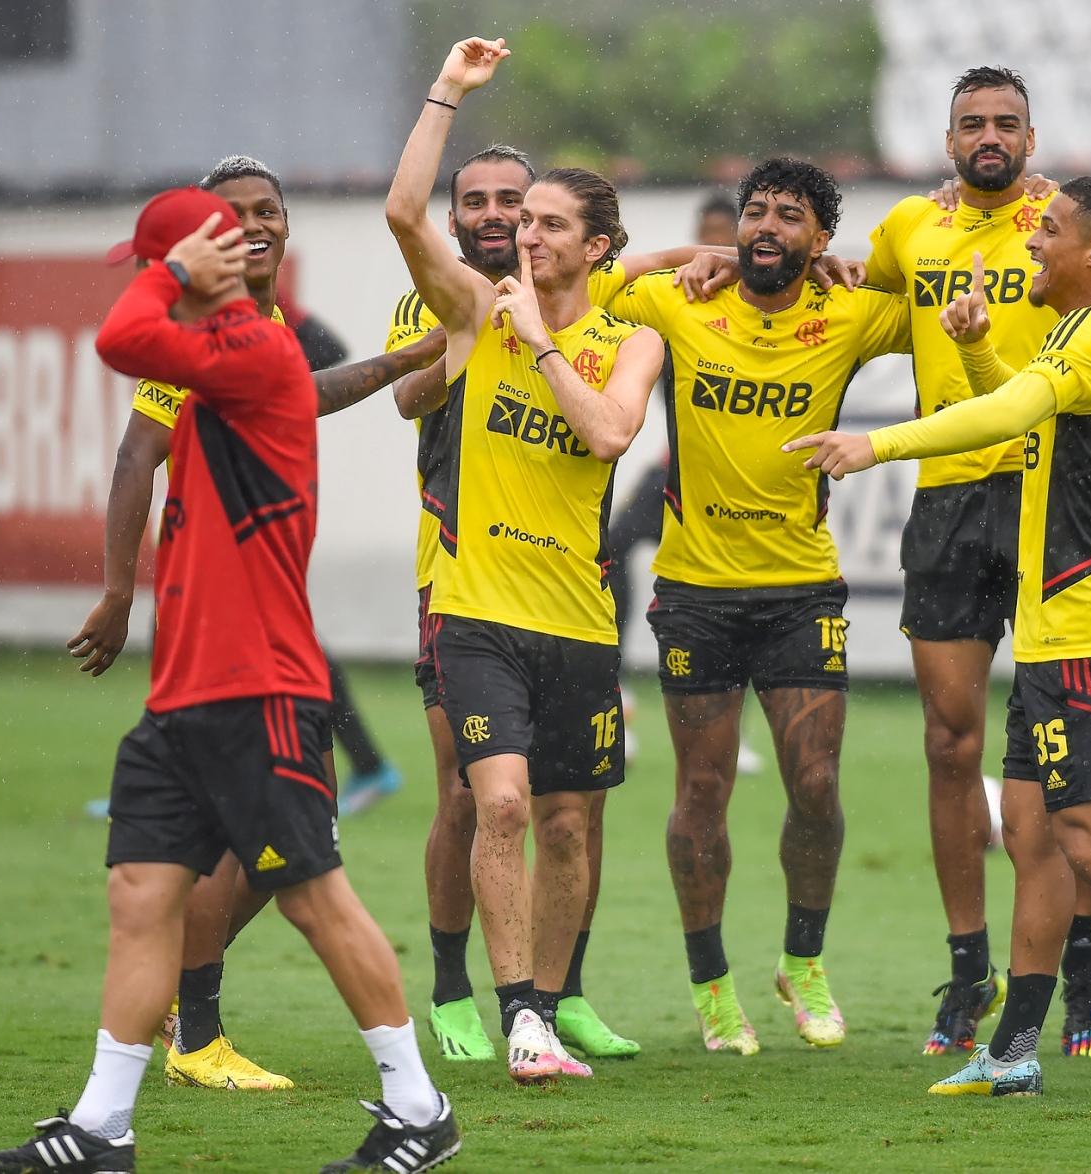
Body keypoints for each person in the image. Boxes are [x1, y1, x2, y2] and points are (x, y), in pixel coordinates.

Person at [0, 190, 456, 1174]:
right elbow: (147, 409)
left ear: (193, 265)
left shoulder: (248, 348)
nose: (146, 281)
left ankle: (419, 1109)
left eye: (153, 262)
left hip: (258, 687)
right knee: (140, 892)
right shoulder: (223, 360)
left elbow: (121, 335)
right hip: (185, 693)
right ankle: (103, 1127)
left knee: (314, 899)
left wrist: (180, 271)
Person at [786, 176, 1091, 1108]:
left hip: (1089, 626)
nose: (1031, 242)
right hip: (1053, 634)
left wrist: (873, 446)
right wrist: (968, 353)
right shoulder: (1074, 336)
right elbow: (1018, 415)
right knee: (1035, 836)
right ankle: (1012, 1051)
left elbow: (1006, 420)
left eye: (1049, 231)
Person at [387, 36, 666, 1085]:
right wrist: (449, 93)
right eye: (520, 219)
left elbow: (606, 435)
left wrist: (540, 341)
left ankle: (549, 1004)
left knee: (567, 821)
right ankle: (514, 1016)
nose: (522, 232)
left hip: (580, 623)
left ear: (597, 248)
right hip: (477, 611)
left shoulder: (628, 342)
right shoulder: (469, 311)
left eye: (549, 223)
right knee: (496, 803)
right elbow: (405, 215)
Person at [606, 157, 910, 1055]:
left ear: (820, 238)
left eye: (790, 217)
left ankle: (803, 963)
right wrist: (690, 252)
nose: (766, 227)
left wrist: (863, 264)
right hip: (696, 590)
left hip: (800, 586)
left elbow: (933, 297)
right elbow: (587, 282)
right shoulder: (683, 300)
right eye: (754, 213)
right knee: (701, 789)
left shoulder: (848, 312)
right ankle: (710, 985)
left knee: (815, 785)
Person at [860, 65, 1053, 1058]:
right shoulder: (909, 229)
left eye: (1005, 123)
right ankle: (968, 967)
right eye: (972, 122)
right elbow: (851, 297)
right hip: (945, 495)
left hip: (1052, 496)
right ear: (948, 142)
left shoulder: (1069, 224)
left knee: (1067, 745)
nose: (989, 136)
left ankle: (1079, 974)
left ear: (1031, 136)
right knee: (949, 742)